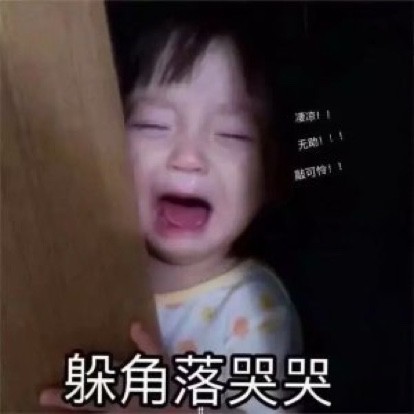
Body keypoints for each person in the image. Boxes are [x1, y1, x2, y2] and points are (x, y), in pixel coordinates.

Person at [40, 14, 302, 413]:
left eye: (231, 134)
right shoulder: (83, 260)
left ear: (269, 176)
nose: (188, 157)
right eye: (154, 125)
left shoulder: (253, 309)